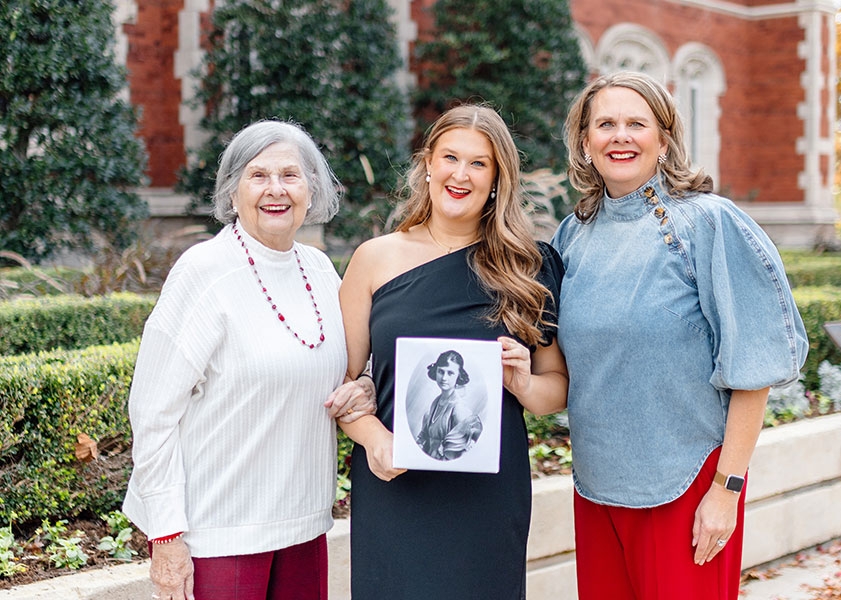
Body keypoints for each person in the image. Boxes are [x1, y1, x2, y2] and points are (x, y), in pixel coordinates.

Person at [552, 71, 809, 600]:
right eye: (605, 124)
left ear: (663, 139)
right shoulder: (572, 234)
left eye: (636, 124)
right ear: (585, 141)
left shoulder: (706, 224)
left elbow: (752, 370)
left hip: (689, 489)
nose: (620, 136)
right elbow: (554, 359)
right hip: (597, 490)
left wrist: (726, 490)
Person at [123, 120, 376, 600]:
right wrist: (167, 537)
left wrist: (364, 386)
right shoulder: (204, 272)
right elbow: (152, 412)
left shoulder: (321, 269)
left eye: (290, 175)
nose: (275, 190)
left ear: (311, 189)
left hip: (304, 525)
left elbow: (344, 367)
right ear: (232, 191)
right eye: (258, 176)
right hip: (221, 533)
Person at [337, 104, 569, 599]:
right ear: (428, 163)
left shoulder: (529, 266)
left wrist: (524, 382)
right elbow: (340, 382)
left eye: (478, 163)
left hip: (486, 492)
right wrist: (374, 438)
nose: (460, 174)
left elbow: (556, 392)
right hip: (394, 482)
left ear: (497, 178)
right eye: (450, 157)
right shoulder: (374, 258)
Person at [415, 349, 483, 460]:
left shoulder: (458, 409)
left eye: (450, 373)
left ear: (458, 376)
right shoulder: (435, 404)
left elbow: (459, 453)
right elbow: (424, 437)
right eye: (441, 371)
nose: (444, 378)